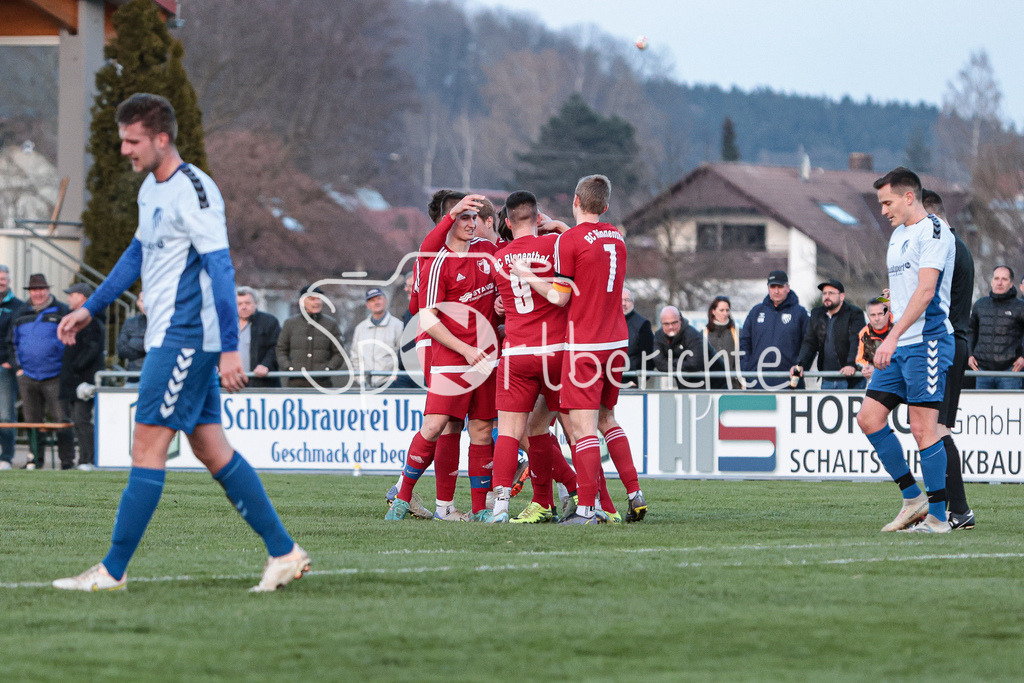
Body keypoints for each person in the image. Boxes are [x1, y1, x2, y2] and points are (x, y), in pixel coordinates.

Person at [52, 93, 308, 592]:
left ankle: (112, 571)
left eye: (132, 141)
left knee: (146, 446)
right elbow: (136, 253)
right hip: (173, 336)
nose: (124, 149)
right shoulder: (152, 187)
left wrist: (230, 348)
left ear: (162, 138)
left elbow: (221, 269)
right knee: (213, 449)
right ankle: (284, 552)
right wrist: (90, 308)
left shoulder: (196, 191)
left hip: (185, 338)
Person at [516, 174, 647, 525]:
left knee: (583, 428)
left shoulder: (569, 241)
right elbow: (591, 245)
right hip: (616, 341)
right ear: (605, 205)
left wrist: (527, 276)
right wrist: (563, 228)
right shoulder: (616, 237)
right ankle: (634, 493)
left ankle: (587, 509)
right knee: (607, 419)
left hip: (585, 344)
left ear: (575, 200)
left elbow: (559, 297)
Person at [385, 194, 500, 522]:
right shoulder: (438, 261)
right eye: (464, 217)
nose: (471, 224)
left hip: (486, 358)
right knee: (436, 425)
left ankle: (479, 509)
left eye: (474, 218)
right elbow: (427, 318)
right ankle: (402, 497)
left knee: (481, 429)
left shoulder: (488, 251)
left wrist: (501, 304)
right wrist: (465, 349)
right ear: (449, 221)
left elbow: (506, 283)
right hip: (453, 356)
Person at [855, 167, 956, 534]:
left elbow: (926, 291)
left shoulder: (934, 231)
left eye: (887, 203)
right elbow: (903, 291)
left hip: (928, 341)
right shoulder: (898, 235)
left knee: (922, 428)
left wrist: (893, 337)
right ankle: (913, 498)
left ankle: (939, 517)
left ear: (909, 197)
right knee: (869, 418)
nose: (883, 210)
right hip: (900, 343)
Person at [923, 189, 976, 530]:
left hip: (945, 344)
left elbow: (927, 294)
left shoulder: (945, 247)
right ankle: (946, 508)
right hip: (952, 342)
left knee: (936, 429)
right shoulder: (959, 247)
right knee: (932, 428)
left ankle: (958, 509)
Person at [8, 273, 74, 469]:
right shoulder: (20, 312)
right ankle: (35, 460)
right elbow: (11, 343)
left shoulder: (62, 310)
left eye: (41, 289)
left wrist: (65, 368)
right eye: (34, 289)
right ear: (30, 292)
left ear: (48, 290)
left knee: (61, 418)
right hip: (27, 376)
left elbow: (72, 340)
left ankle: (67, 462)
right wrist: (18, 368)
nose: (38, 293)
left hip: (55, 375)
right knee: (32, 421)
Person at [59, 283, 105, 470]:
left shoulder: (92, 321)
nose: (68, 298)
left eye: (72, 295)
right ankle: (83, 459)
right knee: (77, 421)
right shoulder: (76, 320)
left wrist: (75, 368)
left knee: (82, 420)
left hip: (83, 381)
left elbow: (91, 349)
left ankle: (89, 460)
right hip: (73, 380)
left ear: (82, 297)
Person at [790, 279, 866, 390]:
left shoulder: (854, 313)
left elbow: (857, 340)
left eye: (831, 293)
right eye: (824, 293)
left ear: (842, 296)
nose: (827, 296)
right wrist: (800, 364)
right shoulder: (817, 314)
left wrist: (851, 364)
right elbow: (809, 342)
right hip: (827, 378)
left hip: (851, 378)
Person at [739, 270, 808, 390]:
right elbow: (744, 342)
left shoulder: (800, 313)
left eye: (780, 287)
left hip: (789, 383)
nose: (776, 291)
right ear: (768, 288)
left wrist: (800, 366)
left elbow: (809, 344)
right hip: (757, 383)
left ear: (787, 288)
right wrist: (747, 369)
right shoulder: (756, 312)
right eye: (773, 287)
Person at [276, 284, 344, 389]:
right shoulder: (290, 324)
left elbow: (339, 353)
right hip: (296, 384)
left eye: (319, 299)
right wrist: (289, 368)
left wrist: (328, 369)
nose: (317, 302)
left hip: (322, 384)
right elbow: (281, 350)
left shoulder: (330, 324)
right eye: (312, 299)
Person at [967, 265, 1024, 390]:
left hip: (1011, 372)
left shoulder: (1020, 307)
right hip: (982, 371)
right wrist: (970, 355)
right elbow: (971, 331)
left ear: (1011, 283)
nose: (999, 282)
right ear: (992, 281)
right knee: (981, 403)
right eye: (996, 278)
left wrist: (1023, 357)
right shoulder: (980, 304)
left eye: (1004, 279)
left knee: (1009, 403)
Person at [652, 306, 721, 389]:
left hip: (716, 384)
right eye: (666, 324)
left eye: (674, 323)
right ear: (661, 323)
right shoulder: (659, 336)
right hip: (686, 385)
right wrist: (680, 366)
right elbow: (659, 363)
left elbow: (694, 365)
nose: (670, 327)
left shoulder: (693, 336)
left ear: (680, 321)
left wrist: (671, 362)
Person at [350, 287, 404, 388]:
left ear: (386, 301)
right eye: (372, 300)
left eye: (379, 299)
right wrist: (360, 379)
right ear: (367, 305)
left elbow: (403, 355)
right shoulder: (360, 328)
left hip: (391, 384)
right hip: (366, 385)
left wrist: (397, 376)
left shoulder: (398, 326)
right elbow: (355, 356)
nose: (376, 302)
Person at [0, 265, 24, 469]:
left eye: (3, 279)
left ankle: (6, 457)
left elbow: (18, 337)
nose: (1, 282)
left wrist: (11, 361)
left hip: (5, 367)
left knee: (6, 413)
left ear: (9, 281)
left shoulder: (18, 306)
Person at [236, 286, 280, 389]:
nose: (243, 307)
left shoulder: (269, 322)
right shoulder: (225, 324)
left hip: (260, 383)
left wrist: (266, 364)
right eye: (239, 304)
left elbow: (277, 347)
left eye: (247, 303)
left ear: (255, 303)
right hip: (232, 384)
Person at [855, 298, 893, 383]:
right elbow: (860, 359)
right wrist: (867, 367)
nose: (877, 318)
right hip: (878, 379)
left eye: (880, 314)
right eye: (873, 315)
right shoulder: (864, 333)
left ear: (888, 313)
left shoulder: (898, 325)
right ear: (868, 316)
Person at [705, 295, 739, 387]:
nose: (725, 313)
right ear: (713, 311)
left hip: (733, 385)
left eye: (727, 310)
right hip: (710, 384)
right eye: (721, 310)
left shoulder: (737, 333)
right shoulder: (704, 334)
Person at [622, 287, 653, 384]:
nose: (623, 303)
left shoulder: (642, 325)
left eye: (627, 300)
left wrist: (641, 378)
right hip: (609, 378)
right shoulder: (607, 322)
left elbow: (648, 355)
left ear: (633, 303)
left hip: (631, 379)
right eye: (620, 300)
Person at [117, 291, 148, 372]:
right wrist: (145, 350)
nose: (145, 305)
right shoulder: (130, 322)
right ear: (137, 302)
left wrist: (133, 343)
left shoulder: (162, 322)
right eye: (142, 301)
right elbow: (121, 350)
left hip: (153, 372)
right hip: (132, 372)